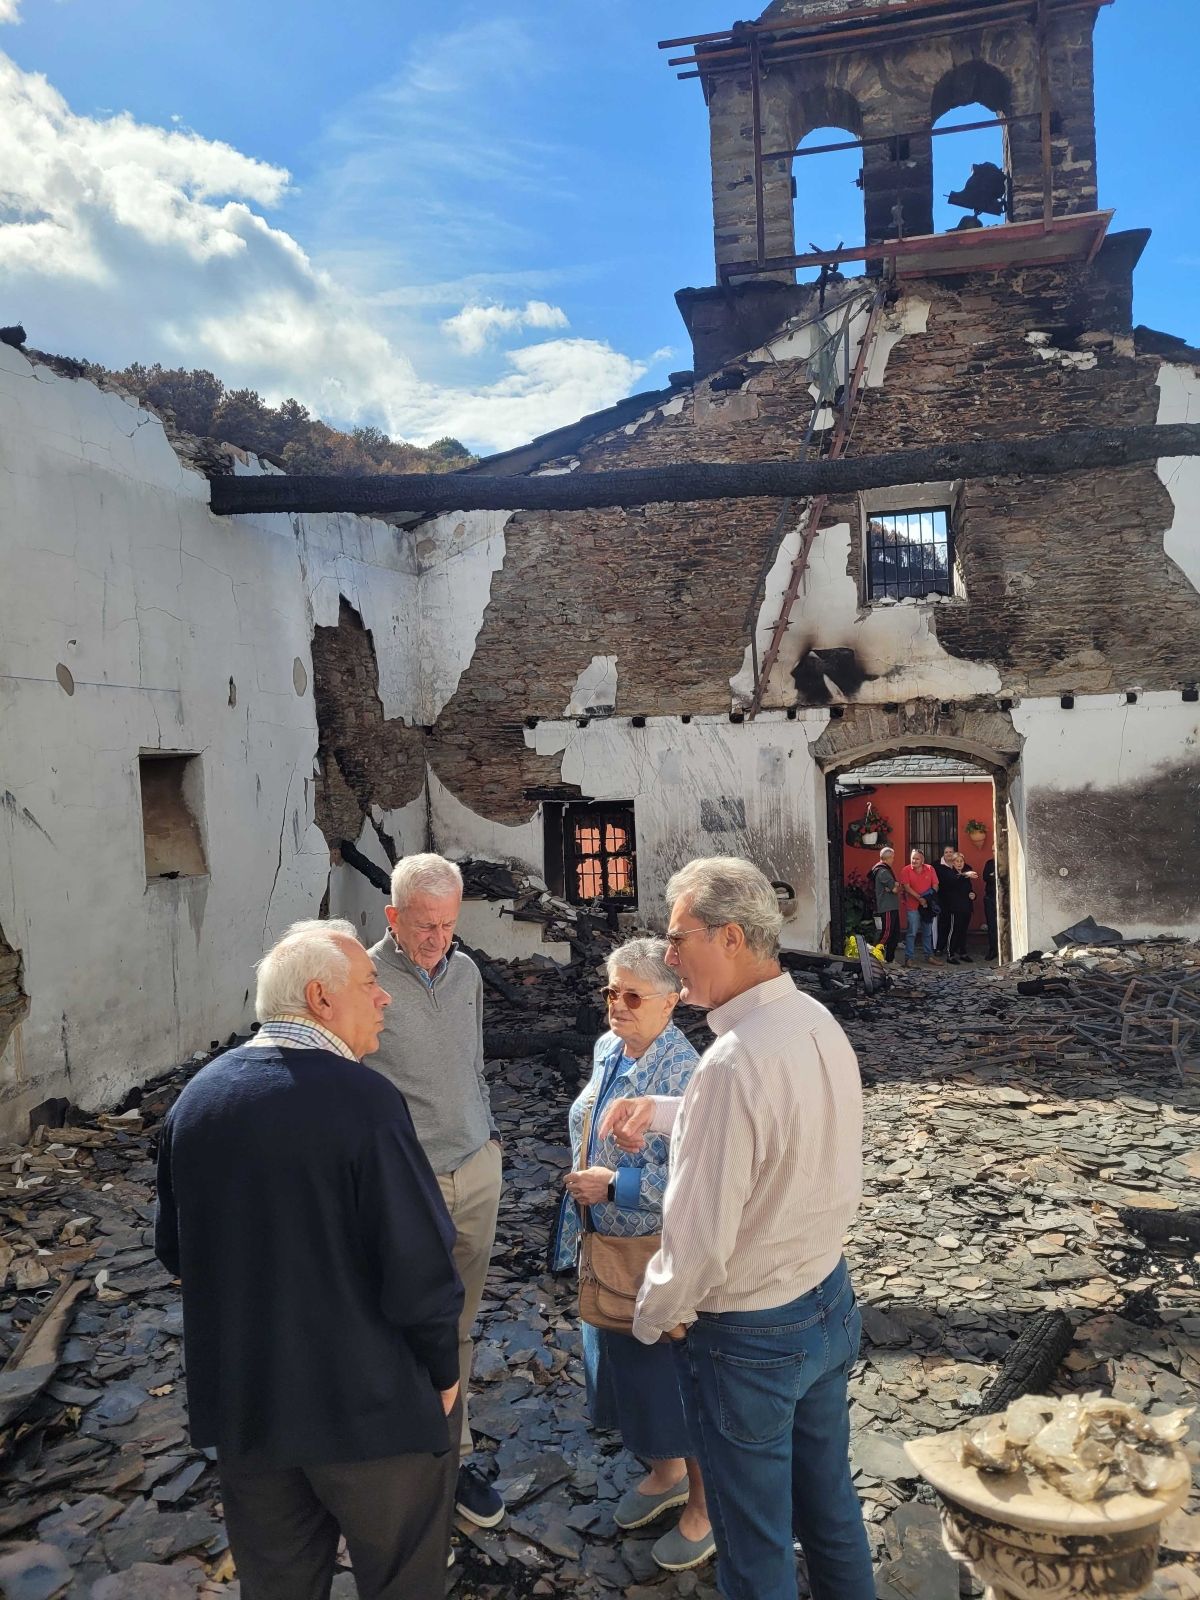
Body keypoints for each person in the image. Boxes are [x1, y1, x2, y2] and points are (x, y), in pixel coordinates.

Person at [154, 920, 463, 1600]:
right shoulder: (366, 1102)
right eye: (370, 984)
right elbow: (418, 1265)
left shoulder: (197, 1101)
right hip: (369, 1410)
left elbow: (177, 1253)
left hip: (250, 1412)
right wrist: (444, 1369)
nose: (383, 998)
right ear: (321, 999)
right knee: (403, 1578)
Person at [601, 859, 874, 1600]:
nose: (667, 954)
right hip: (827, 1299)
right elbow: (776, 1129)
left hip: (753, 1335)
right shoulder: (810, 1020)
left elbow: (695, 1245)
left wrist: (654, 1316)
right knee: (831, 1515)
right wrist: (664, 1111)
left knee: (754, 1553)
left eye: (676, 935)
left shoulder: (730, 1063)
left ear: (728, 937)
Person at [551, 938, 712, 1572]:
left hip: (655, 1251)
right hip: (606, 1245)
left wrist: (616, 1184)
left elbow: (700, 1185)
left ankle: (704, 1507)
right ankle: (664, 1470)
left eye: (632, 995)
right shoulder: (608, 1049)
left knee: (676, 1378)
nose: (616, 1005)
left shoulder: (690, 1074)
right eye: (610, 992)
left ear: (672, 1001)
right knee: (626, 1367)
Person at [368, 854, 506, 1529]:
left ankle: (455, 1457)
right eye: (424, 926)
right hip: (408, 1186)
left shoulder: (468, 973)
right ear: (393, 917)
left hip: (477, 1169)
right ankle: (402, 1460)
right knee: (401, 1323)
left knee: (459, 1324)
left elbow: (472, 1062)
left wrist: (490, 1138)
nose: (438, 939)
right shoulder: (363, 984)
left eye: (448, 924)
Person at [899, 848, 940, 963]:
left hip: (927, 905)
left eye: (917, 858)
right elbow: (906, 887)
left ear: (922, 860)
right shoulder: (905, 870)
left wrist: (927, 898)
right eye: (913, 858)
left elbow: (936, 885)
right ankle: (909, 958)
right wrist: (919, 898)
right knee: (912, 932)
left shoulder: (930, 869)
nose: (914, 861)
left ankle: (929, 956)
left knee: (928, 932)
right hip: (913, 906)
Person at [867, 846, 902, 963]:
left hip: (892, 906)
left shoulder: (883, 870)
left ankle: (890, 959)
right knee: (886, 934)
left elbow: (894, 887)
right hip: (886, 907)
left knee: (895, 934)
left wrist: (894, 886)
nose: (893, 860)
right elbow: (895, 889)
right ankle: (875, 958)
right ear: (888, 858)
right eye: (893, 858)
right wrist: (895, 885)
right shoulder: (883, 872)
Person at [948, 851, 979, 963]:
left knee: (963, 931)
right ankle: (950, 954)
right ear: (953, 863)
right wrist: (966, 874)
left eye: (961, 861)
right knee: (954, 931)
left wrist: (973, 895)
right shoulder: (950, 873)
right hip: (955, 907)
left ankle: (962, 953)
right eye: (957, 861)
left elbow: (969, 889)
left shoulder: (966, 874)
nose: (959, 863)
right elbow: (954, 880)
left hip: (966, 906)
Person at [933, 846, 959, 955]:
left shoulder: (958, 864)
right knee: (943, 924)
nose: (948, 854)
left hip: (957, 899)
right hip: (942, 899)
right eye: (946, 852)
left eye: (951, 852)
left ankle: (954, 947)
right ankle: (940, 947)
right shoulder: (936, 865)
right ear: (943, 853)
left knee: (956, 924)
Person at [983, 856, 999, 960]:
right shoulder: (989, 863)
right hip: (990, 898)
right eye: (993, 850)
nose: (994, 852)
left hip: (1005, 898)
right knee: (992, 925)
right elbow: (985, 877)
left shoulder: (1008, 861)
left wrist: (993, 875)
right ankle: (993, 949)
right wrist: (996, 876)